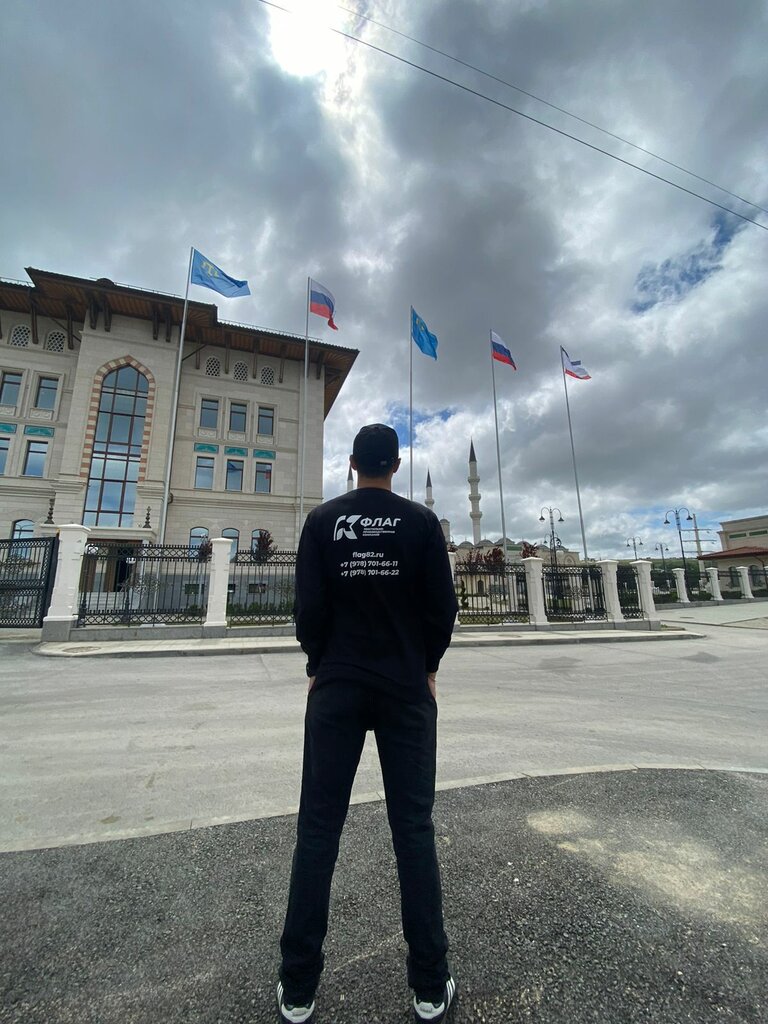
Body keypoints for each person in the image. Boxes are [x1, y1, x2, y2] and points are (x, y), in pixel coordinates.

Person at [277, 423, 459, 1024]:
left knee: (318, 830)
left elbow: (309, 609)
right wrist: (427, 667)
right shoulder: (422, 524)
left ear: (353, 463)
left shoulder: (322, 521)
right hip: (406, 688)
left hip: (338, 688)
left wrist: (318, 666)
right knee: (413, 831)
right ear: (397, 465)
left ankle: (298, 988)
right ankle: (429, 986)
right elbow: (441, 611)